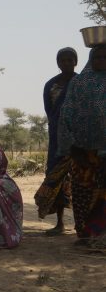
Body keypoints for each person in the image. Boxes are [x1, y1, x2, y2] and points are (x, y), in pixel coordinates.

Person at [57, 44, 106, 248]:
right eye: (97, 57)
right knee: (82, 192)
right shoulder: (79, 83)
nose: (100, 60)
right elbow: (66, 114)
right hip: (82, 151)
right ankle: (84, 234)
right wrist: (71, 147)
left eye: (105, 57)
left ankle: (101, 236)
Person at [34, 47, 78, 235]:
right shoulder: (50, 85)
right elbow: (50, 113)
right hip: (57, 140)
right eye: (63, 60)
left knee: (81, 180)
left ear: (75, 62)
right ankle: (60, 223)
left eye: (70, 60)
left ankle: (82, 224)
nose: (66, 63)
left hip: (79, 139)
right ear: (58, 63)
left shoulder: (81, 82)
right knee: (57, 178)